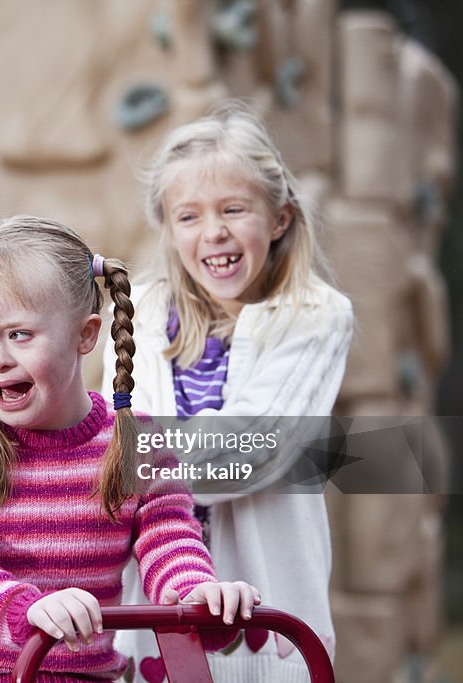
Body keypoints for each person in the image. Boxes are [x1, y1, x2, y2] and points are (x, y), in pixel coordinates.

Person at [0, 215, 259, 682]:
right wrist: (23, 609)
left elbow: (171, 542)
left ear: (85, 335)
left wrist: (198, 598)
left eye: (20, 334)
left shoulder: (138, 446)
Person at [103, 102, 353, 682]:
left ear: (280, 217)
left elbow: (248, 453)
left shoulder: (313, 317)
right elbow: (115, 437)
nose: (213, 232)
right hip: (157, 606)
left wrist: (127, 461)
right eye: (188, 216)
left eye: (234, 209)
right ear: (167, 229)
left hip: (267, 613)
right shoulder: (139, 313)